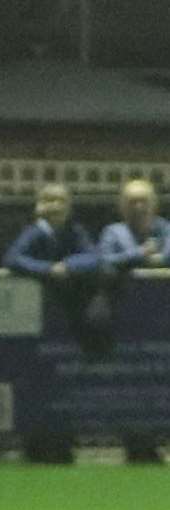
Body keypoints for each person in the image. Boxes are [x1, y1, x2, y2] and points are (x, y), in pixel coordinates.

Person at [3, 184, 105, 463]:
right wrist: (48, 270)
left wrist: (68, 266)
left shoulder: (75, 231)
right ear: (38, 205)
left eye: (60, 201)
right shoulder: (34, 232)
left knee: (66, 383)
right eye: (48, 200)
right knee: (36, 382)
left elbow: (95, 258)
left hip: (69, 322)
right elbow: (13, 259)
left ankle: (63, 443)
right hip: (37, 321)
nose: (55, 206)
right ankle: (35, 445)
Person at [97, 179, 170, 463]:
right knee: (131, 384)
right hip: (125, 323)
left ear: (154, 204)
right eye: (131, 201)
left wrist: (151, 260)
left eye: (143, 200)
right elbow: (104, 261)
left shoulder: (166, 229)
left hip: (163, 323)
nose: (138, 207)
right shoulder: (112, 232)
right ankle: (136, 444)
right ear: (121, 206)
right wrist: (139, 255)